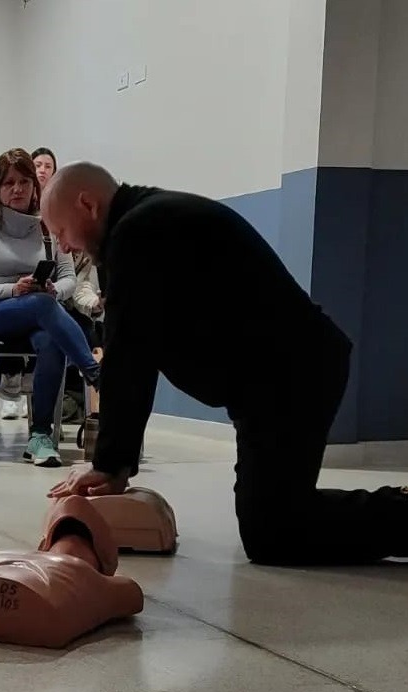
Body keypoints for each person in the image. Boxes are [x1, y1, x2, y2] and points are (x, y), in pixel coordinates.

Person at [42, 161, 408, 567]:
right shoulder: (141, 226)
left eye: (60, 232)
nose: (64, 247)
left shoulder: (138, 232)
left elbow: (130, 357)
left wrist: (110, 465)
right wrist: (115, 461)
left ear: (87, 204)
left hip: (291, 377)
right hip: (276, 382)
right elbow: (133, 351)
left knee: (275, 531)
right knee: (275, 520)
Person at [0, 149, 100, 467]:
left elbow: (68, 280)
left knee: (51, 338)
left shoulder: (47, 227)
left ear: (36, 187)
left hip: (37, 312)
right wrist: (14, 289)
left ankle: (40, 436)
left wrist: (52, 289)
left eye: (24, 181)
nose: (17, 189)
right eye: (9, 183)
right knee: (40, 304)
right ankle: (95, 374)